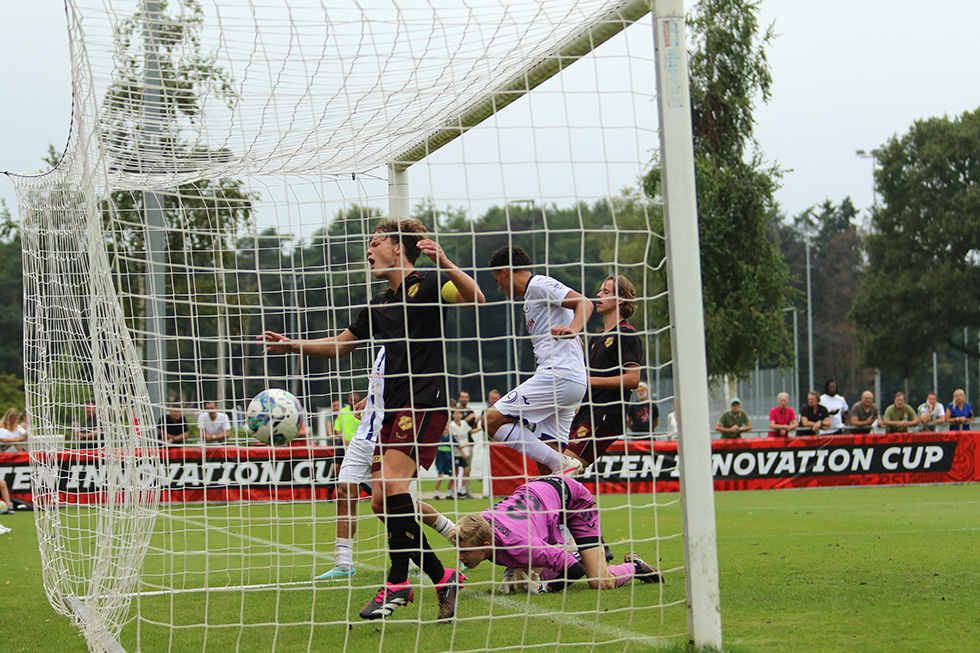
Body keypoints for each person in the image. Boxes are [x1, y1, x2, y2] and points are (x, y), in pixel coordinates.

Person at [260, 218, 484, 621]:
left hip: (422, 401)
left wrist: (447, 261)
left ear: (398, 247)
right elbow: (339, 347)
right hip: (391, 409)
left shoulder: (429, 283)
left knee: (392, 488)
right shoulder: (378, 304)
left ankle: (397, 582)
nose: (368, 250)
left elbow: (475, 297)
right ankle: (441, 574)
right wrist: (293, 345)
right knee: (382, 501)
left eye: (374, 241)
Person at [316, 347, 457, 581]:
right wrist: (368, 400)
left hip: (390, 435)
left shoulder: (412, 345)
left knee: (392, 503)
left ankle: (454, 533)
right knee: (344, 490)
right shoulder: (383, 348)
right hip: (364, 435)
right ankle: (343, 563)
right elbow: (380, 387)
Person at [481, 245, 593, 476]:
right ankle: (567, 509)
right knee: (547, 466)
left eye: (496, 279)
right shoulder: (530, 299)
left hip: (558, 376)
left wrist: (573, 330)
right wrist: (573, 336)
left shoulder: (539, 284)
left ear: (505, 271)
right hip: (569, 381)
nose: (499, 287)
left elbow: (584, 303)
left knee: (490, 420)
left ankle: (565, 464)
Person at [450, 476, 662, 592]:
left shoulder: (522, 545)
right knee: (524, 583)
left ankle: (633, 565)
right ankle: (588, 552)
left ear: (487, 545)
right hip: (539, 495)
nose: (460, 557)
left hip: (574, 500)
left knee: (599, 581)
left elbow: (575, 570)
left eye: (465, 552)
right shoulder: (477, 524)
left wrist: (548, 587)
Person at [565, 275, 642, 468]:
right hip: (586, 413)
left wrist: (592, 381)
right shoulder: (596, 339)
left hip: (605, 416)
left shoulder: (627, 335)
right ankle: (581, 499)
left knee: (566, 467)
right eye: (600, 290)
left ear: (621, 299)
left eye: (606, 292)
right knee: (560, 469)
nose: (598, 294)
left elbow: (633, 379)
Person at [452, 390, 479, 497]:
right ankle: (455, 492)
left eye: (466, 397)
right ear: (459, 398)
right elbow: (453, 426)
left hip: (468, 444)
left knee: (468, 468)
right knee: (456, 470)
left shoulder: (470, 411)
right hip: (457, 446)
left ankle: (465, 491)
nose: (464, 399)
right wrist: (468, 419)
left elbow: (471, 429)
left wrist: (477, 422)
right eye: (462, 397)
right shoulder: (454, 411)